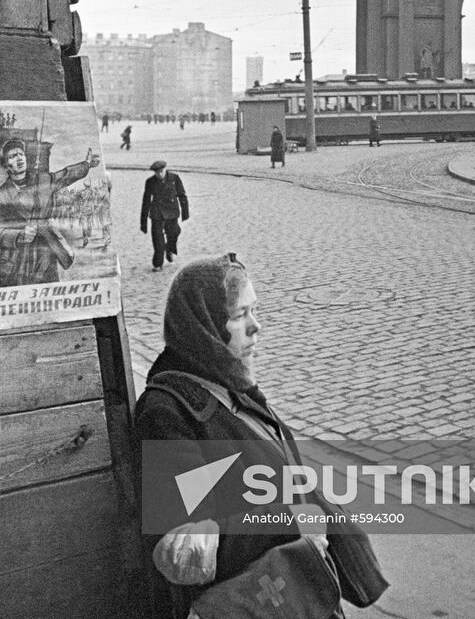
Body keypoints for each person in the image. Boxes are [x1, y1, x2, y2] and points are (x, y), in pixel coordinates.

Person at [134, 254, 345, 619]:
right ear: (203, 326)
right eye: (239, 316)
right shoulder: (169, 414)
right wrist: (290, 517)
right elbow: (185, 548)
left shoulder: (230, 380)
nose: (255, 326)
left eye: (254, 311)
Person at [0, 138, 100, 286]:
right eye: (12, 156)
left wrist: (87, 164)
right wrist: (18, 236)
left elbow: (66, 174)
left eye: (21, 154)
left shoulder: (44, 180)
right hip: (17, 261)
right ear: (6, 166)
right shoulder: (2, 194)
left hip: (45, 254)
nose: (19, 158)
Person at [141, 161, 189, 271]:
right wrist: (143, 222)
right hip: (157, 213)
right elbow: (146, 201)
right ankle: (158, 264)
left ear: (165, 169)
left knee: (174, 232)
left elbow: (182, 195)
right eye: (157, 172)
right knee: (157, 239)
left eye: (161, 171)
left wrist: (185, 212)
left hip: (172, 211)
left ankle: (170, 248)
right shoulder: (150, 182)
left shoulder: (174, 178)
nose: (159, 174)